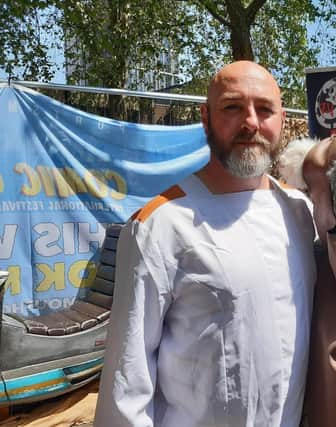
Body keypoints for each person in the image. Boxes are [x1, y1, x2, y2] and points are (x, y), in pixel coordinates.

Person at [94, 61, 317, 427]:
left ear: (281, 119)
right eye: (232, 107)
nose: (250, 123)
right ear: (206, 117)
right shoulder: (159, 225)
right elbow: (127, 382)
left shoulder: (302, 212)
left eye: (264, 109)